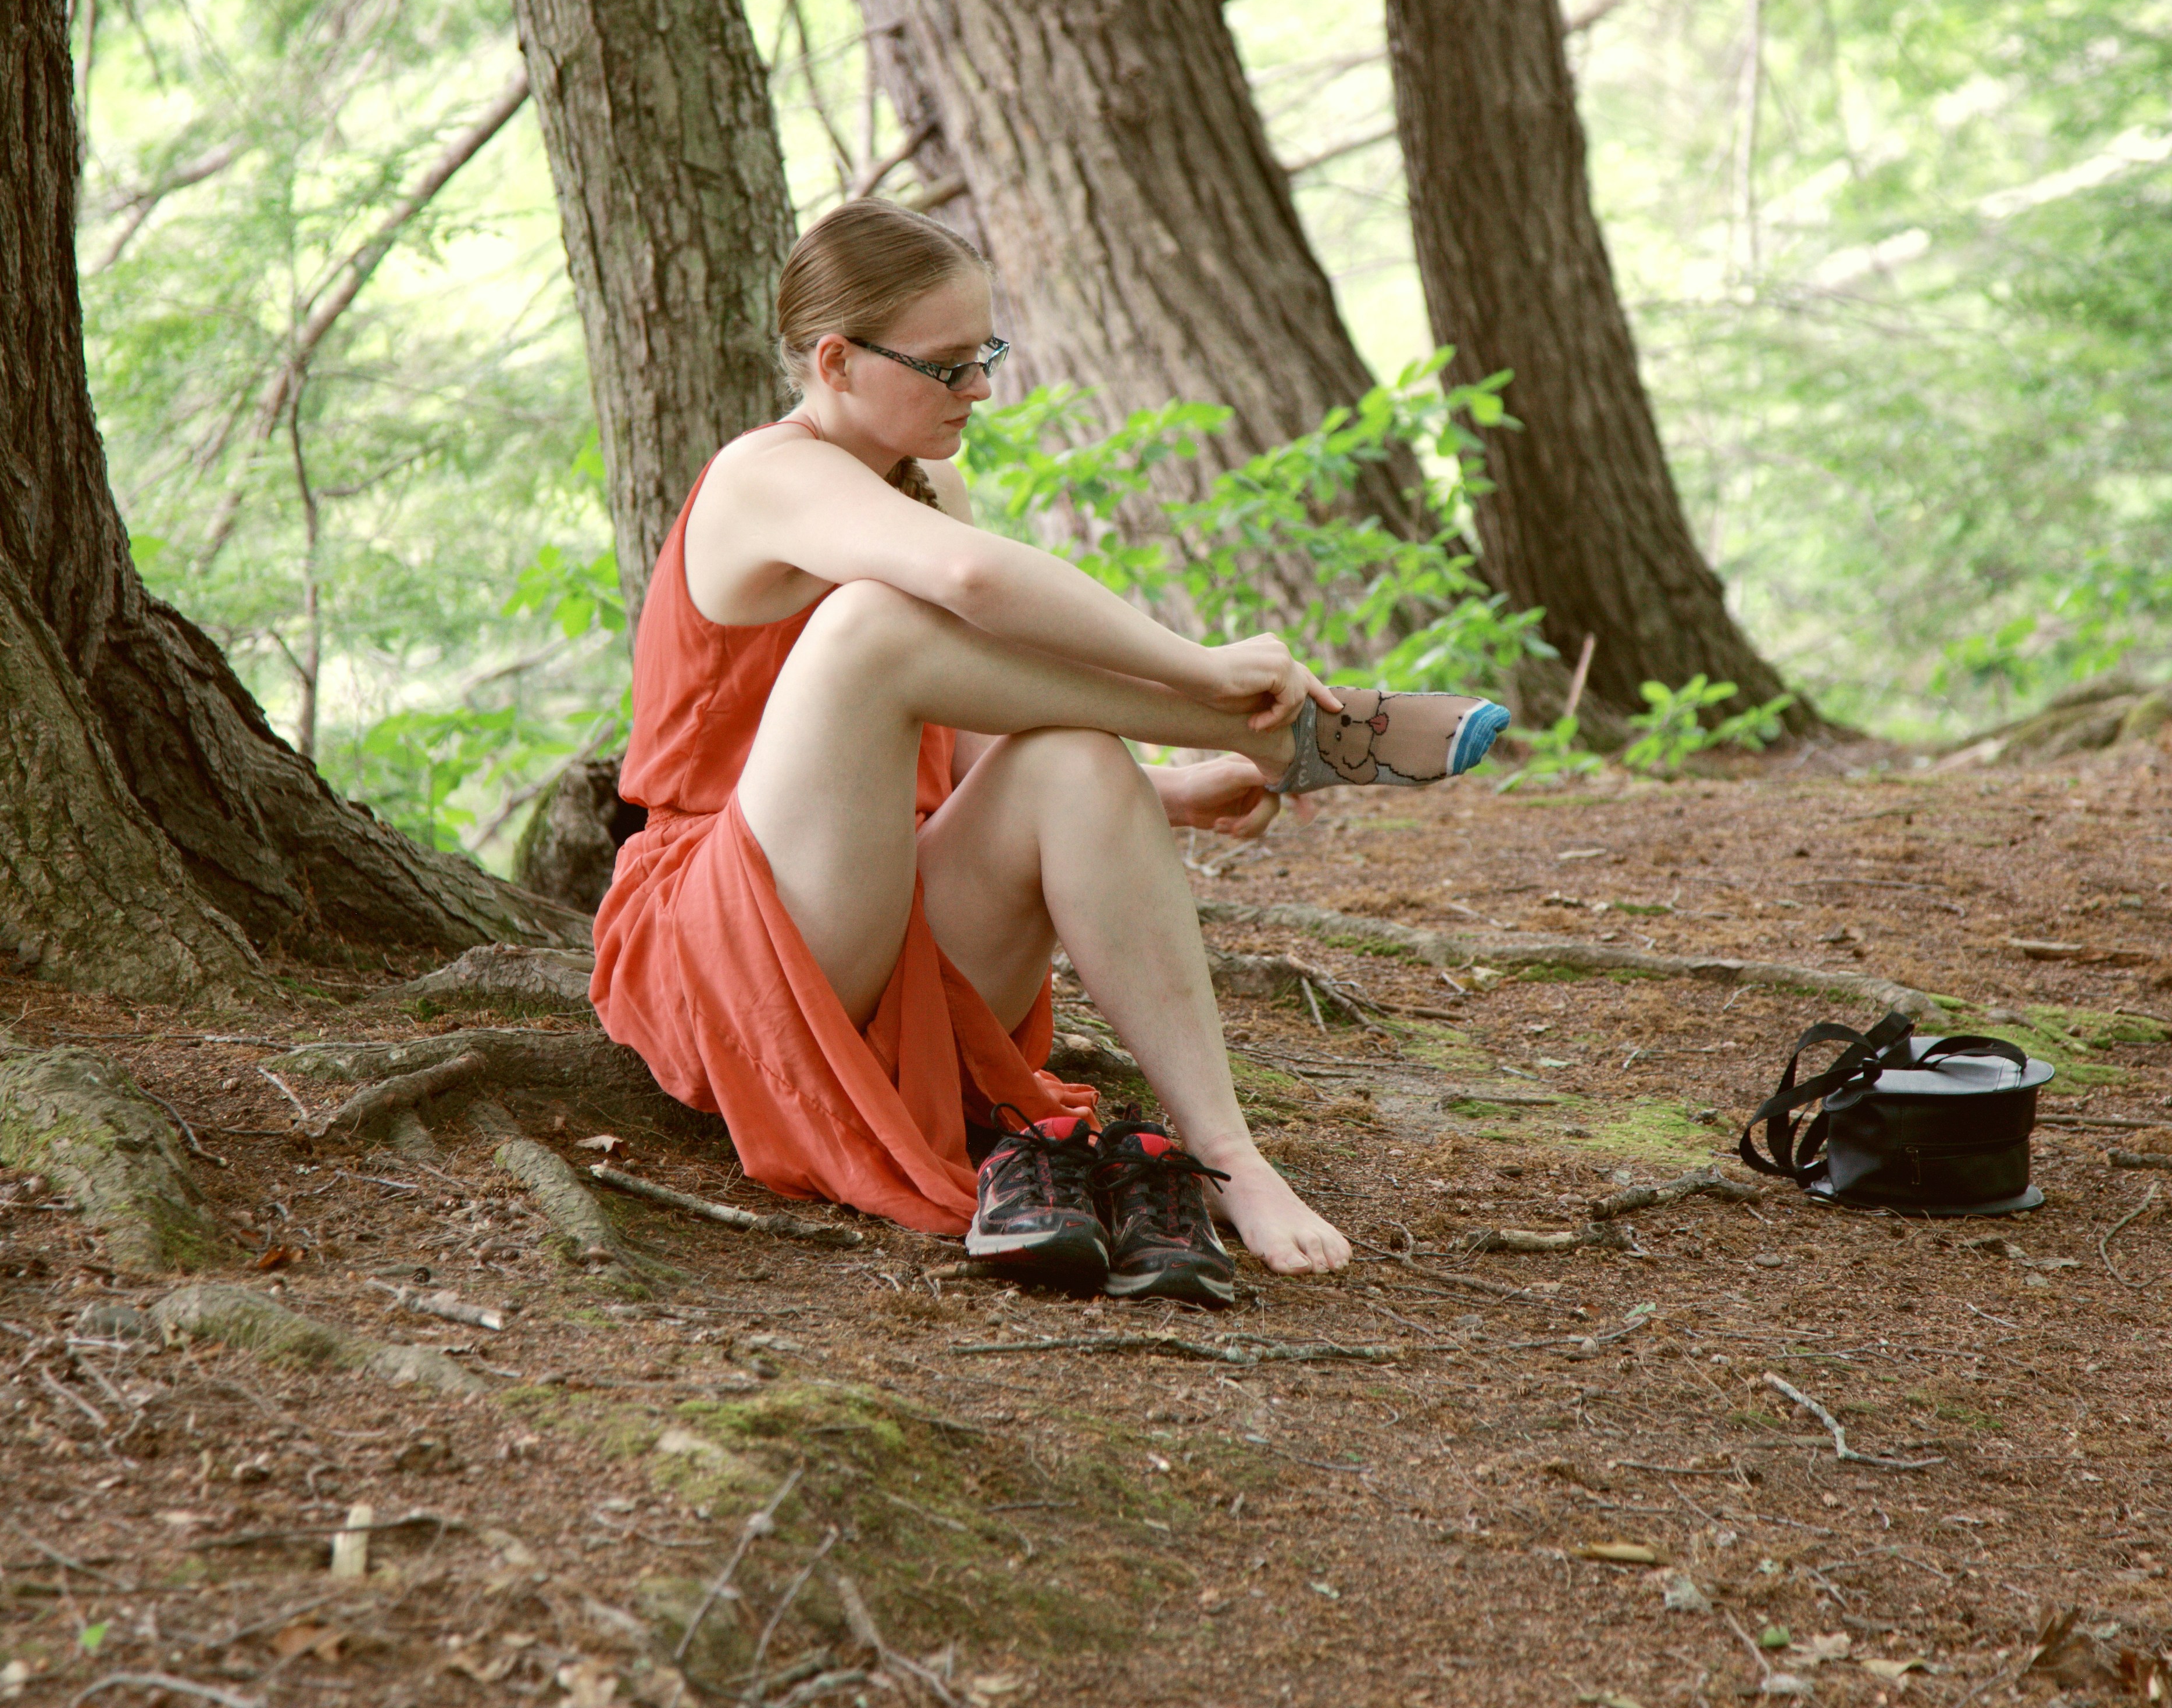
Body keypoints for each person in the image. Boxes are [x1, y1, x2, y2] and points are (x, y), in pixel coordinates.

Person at [589, 202, 1506, 1305]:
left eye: (988, 353)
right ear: (835, 361)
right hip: (724, 947)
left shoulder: (930, 485)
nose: (980, 388)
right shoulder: (765, 474)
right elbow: (973, 582)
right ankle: (1259, 724)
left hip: (894, 932)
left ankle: (1232, 1155)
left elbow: (982, 739)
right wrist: (1202, 676)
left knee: (1072, 754)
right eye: (948, 365)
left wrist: (1169, 792)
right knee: (869, 626)